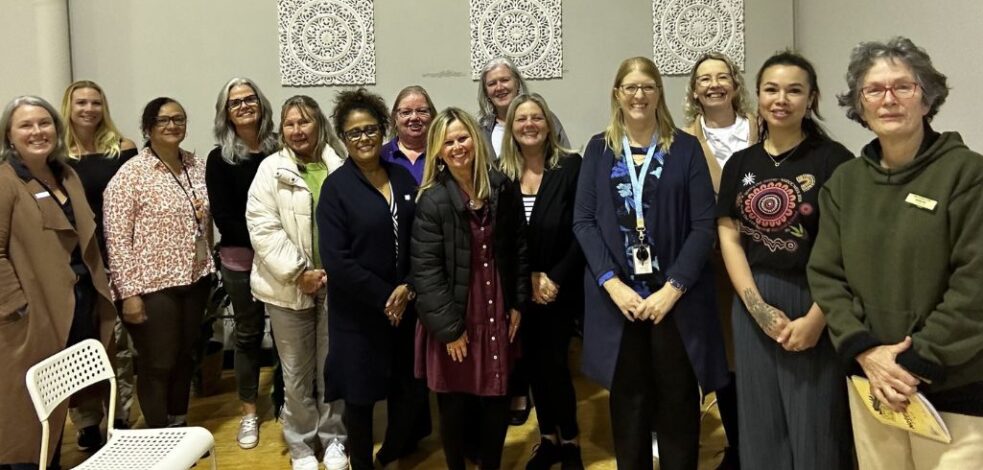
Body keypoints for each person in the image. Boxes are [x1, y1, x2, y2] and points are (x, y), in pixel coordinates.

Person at [809, 36, 983, 469]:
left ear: (927, 98)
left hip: (953, 389)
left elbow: (975, 281)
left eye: (903, 87)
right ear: (860, 106)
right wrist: (868, 353)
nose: (889, 100)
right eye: (874, 90)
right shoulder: (845, 184)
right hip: (872, 385)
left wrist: (912, 361)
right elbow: (827, 276)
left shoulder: (967, 174)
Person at [573, 56, 728, 470]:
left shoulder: (686, 148)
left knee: (678, 401)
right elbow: (583, 222)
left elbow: (702, 225)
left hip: (674, 301)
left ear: (659, 93)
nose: (639, 95)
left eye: (648, 86)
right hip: (619, 300)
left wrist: (672, 289)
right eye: (631, 87)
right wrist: (612, 283)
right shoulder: (598, 148)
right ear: (617, 95)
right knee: (629, 403)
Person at [716, 51, 854, 470]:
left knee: (816, 422)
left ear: (811, 99)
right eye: (771, 89)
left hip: (816, 300)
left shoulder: (834, 161)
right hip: (753, 299)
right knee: (760, 420)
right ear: (757, 97)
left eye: (794, 90)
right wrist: (755, 306)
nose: (782, 99)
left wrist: (818, 317)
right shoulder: (741, 163)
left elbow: (848, 246)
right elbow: (729, 233)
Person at [0, 96, 116, 469]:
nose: (37, 132)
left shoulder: (66, 174)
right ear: (9, 135)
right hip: (30, 315)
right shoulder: (5, 181)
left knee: (63, 400)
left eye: (44, 123)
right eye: (26, 125)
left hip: (77, 302)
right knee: (26, 416)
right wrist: (16, 307)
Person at [412, 107, 528, 470]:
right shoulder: (432, 200)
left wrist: (518, 302)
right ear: (438, 151)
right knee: (455, 405)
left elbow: (519, 248)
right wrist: (449, 329)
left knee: (497, 399)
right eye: (449, 142)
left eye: (462, 138)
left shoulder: (502, 187)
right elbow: (425, 271)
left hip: (497, 308)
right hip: (456, 313)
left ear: (475, 141)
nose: (457, 146)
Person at [317, 88, 424, 470]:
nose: (364, 139)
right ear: (343, 139)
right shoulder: (335, 189)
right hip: (359, 315)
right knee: (360, 400)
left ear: (383, 131)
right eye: (354, 132)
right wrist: (386, 297)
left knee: (407, 393)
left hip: (406, 308)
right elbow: (337, 260)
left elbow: (422, 241)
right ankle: (361, 463)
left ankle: (391, 453)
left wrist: (408, 287)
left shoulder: (402, 178)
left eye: (370, 130)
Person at [246, 95, 348, 470]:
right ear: (282, 130)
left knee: (332, 368)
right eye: (290, 123)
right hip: (288, 289)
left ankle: (334, 438)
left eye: (304, 122)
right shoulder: (270, 170)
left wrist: (340, 270)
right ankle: (302, 445)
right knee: (295, 374)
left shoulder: (340, 166)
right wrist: (298, 273)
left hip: (336, 287)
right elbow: (263, 228)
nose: (297, 130)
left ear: (319, 125)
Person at [104, 97, 214, 430]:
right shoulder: (130, 175)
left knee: (185, 357)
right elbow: (117, 241)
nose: (172, 125)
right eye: (163, 120)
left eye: (178, 119)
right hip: (152, 285)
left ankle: (178, 422)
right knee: (158, 362)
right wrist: (129, 294)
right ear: (149, 127)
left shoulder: (196, 165)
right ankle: (158, 434)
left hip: (195, 277)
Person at [498, 93, 585, 469]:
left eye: (536, 118)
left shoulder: (570, 166)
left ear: (548, 124)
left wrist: (554, 278)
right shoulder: (499, 174)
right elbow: (500, 238)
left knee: (556, 367)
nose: (529, 124)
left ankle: (572, 442)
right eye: (521, 119)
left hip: (559, 289)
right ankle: (547, 439)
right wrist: (527, 279)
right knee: (531, 367)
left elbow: (584, 229)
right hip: (519, 290)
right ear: (510, 128)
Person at [681, 52, 759, 469]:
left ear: (735, 83)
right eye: (705, 79)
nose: (714, 84)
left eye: (722, 76)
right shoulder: (682, 139)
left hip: (769, 260)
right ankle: (738, 445)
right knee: (726, 358)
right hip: (713, 267)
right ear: (694, 90)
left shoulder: (762, 127)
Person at [59, 79, 139, 450]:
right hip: (73, 262)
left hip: (117, 257)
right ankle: (87, 421)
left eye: (95, 102)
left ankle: (120, 415)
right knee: (79, 342)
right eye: (81, 103)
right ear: (69, 107)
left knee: (118, 342)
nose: (89, 109)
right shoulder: (56, 155)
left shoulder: (122, 150)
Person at [205, 77, 281, 449]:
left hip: (285, 260)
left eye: (250, 99)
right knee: (249, 336)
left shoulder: (281, 149)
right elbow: (225, 217)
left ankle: (285, 401)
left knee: (289, 334)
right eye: (235, 102)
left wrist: (280, 248)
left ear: (261, 104)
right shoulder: (219, 158)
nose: (244, 105)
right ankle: (249, 412)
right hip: (242, 260)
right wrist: (269, 243)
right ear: (226, 113)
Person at [477, 57, 572, 159]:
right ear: (486, 91)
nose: (499, 87)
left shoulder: (543, 117)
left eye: (504, 80)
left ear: (517, 83)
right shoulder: (481, 129)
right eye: (492, 84)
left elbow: (566, 159)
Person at [381, 85, 437, 184]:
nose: (414, 117)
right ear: (395, 118)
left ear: (432, 117)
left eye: (422, 111)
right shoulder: (381, 156)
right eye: (406, 112)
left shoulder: (443, 153)